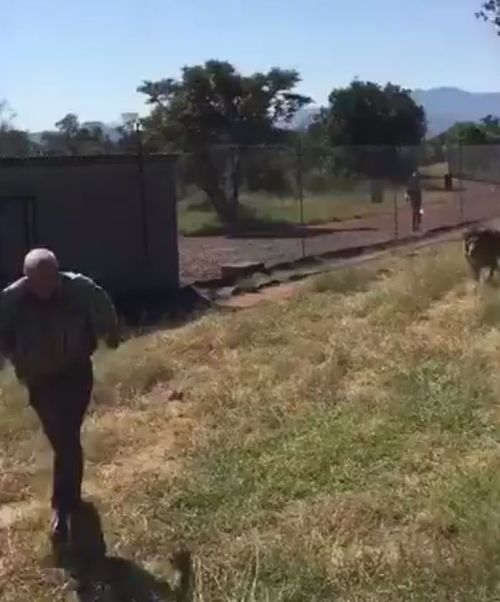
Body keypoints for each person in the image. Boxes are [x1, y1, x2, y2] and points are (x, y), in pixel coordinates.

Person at [0, 249, 120, 544]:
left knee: (67, 438)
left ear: (57, 274)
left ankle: (65, 505)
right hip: (40, 379)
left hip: (76, 373)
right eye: (36, 282)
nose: (43, 288)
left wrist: (111, 334)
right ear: (26, 278)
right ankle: (66, 505)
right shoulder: (12, 300)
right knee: (64, 440)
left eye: (48, 280)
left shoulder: (80, 288)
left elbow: (103, 305)